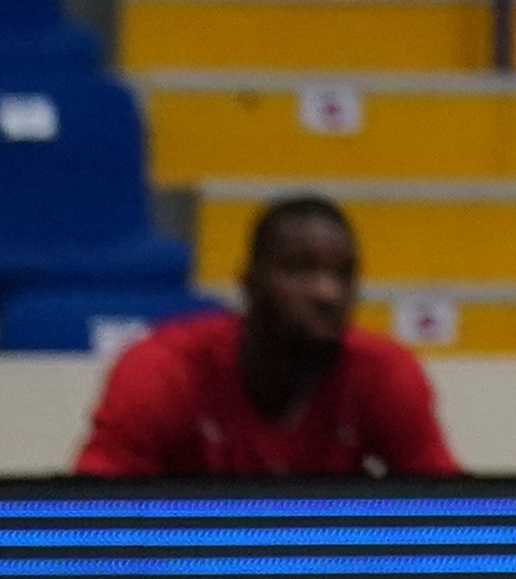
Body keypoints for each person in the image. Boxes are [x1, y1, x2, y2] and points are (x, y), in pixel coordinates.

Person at [73, 194, 457, 477]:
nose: (328, 293)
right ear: (249, 283)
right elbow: (88, 524)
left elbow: (455, 521)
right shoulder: (163, 370)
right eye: (301, 270)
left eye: (343, 274)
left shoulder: (383, 373)